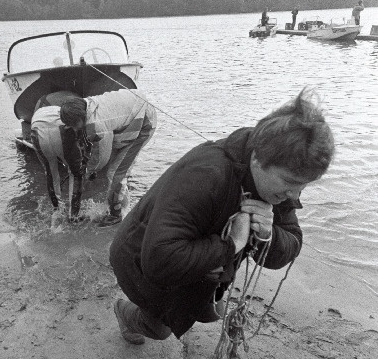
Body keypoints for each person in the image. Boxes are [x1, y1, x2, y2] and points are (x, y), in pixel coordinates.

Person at [109, 88, 335, 345]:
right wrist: (232, 245)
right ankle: (124, 312)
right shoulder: (205, 175)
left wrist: (267, 234)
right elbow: (159, 259)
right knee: (161, 329)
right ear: (259, 160)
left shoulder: (280, 179)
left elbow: (292, 242)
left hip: (194, 259)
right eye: (290, 182)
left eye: (303, 186)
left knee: (211, 308)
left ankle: (200, 297)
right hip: (138, 258)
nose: (294, 194)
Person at [31, 89, 157, 224]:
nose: (72, 129)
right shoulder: (86, 106)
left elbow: (102, 158)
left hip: (144, 122)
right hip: (132, 107)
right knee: (116, 170)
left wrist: (88, 170)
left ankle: (117, 215)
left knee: (115, 173)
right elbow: (95, 145)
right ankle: (123, 205)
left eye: (73, 125)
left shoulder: (97, 126)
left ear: (79, 119)